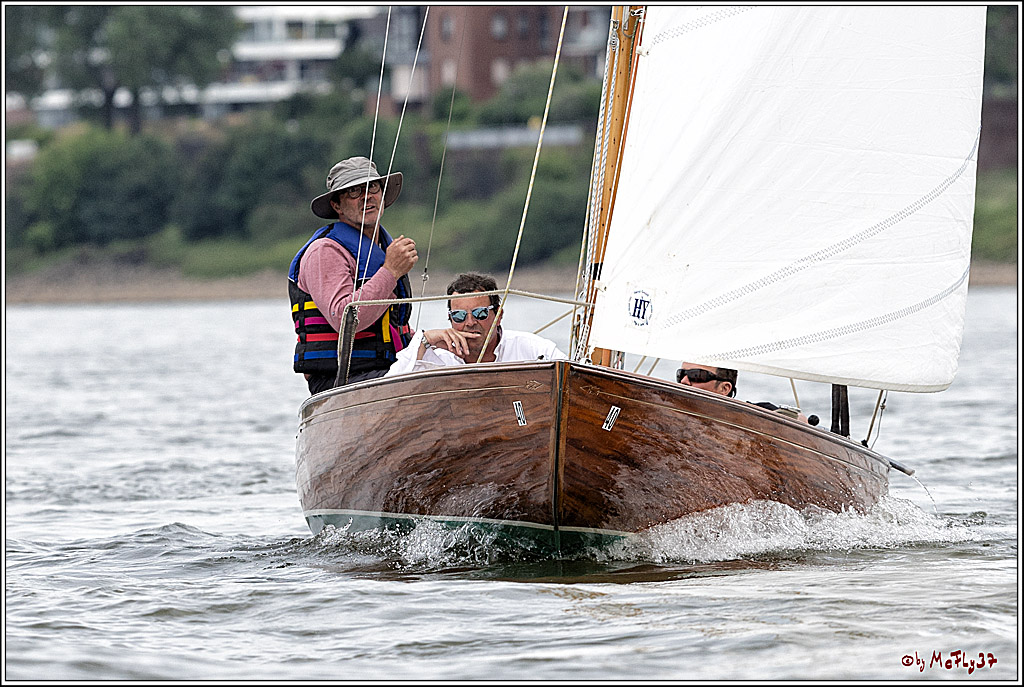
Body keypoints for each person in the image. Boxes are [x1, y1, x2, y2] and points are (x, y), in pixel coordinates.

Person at [289, 156, 419, 395]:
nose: (367, 196)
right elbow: (343, 318)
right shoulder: (325, 251)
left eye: (373, 187)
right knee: (420, 381)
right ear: (337, 205)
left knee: (452, 361)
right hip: (339, 381)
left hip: (386, 370)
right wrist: (390, 272)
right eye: (354, 192)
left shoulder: (382, 249)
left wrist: (428, 341)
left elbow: (390, 328)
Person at [385, 273, 566, 376]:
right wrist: (426, 339)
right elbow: (390, 384)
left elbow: (572, 380)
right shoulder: (435, 358)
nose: (470, 323)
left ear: (498, 315)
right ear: (450, 319)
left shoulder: (535, 350)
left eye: (480, 313)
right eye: (459, 316)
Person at [676, 362, 816, 424]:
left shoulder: (749, 415)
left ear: (724, 389)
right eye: (681, 374)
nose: (684, 381)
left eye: (697, 376)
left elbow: (798, 419)